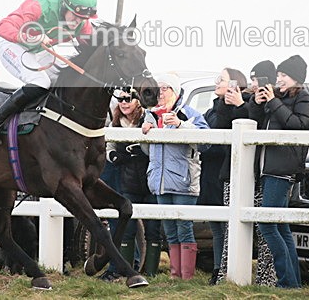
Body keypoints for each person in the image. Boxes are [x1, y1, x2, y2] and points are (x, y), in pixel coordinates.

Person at [0, 0, 98, 137]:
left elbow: (95, 49)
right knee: (41, 81)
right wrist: (29, 37)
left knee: (64, 79)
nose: (77, 21)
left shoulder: (82, 24)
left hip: (39, 52)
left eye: (83, 18)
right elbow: (2, 26)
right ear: (64, 6)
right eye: (75, 15)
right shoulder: (39, 5)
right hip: (13, 46)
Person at [248, 55, 309, 289]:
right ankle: (293, 282)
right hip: (268, 168)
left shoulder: (303, 98)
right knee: (280, 226)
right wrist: (257, 103)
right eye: (278, 75)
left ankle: (286, 281)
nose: (279, 79)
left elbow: (300, 126)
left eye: (284, 75)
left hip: (282, 170)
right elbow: (255, 123)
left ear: (296, 78)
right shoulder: (279, 98)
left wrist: (274, 103)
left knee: (267, 224)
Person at [216, 60, 278, 286]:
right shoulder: (248, 100)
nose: (253, 84)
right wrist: (228, 104)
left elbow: (256, 124)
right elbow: (222, 128)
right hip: (233, 170)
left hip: (259, 173)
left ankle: (266, 279)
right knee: (231, 227)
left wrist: (242, 105)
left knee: (264, 230)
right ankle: (227, 276)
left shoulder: (271, 102)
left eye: (256, 79)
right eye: (251, 79)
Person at [141, 73, 208, 280]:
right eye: (157, 88)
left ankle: (186, 277)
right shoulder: (151, 116)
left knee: (184, 228)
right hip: (159, 181)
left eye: (165, 88)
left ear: (175, 91)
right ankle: (174, 275)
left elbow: (206, 142)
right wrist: (146, 133)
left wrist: (180, 125)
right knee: (169, 230)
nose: (160, 93)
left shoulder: (189, 113)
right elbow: (147, 151)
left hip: (184, 181)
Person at [104, 88, 162, 279]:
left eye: (128, 99)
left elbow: (155, 148)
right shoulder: (115, 123)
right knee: (127, 229)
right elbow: (109, 146)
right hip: (127, 182)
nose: (124, 103)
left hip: (150, 182)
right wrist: (114, 156)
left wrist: (140, 150)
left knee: (153, 229)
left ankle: (152, 274)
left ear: (138, 100)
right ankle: (126, 271)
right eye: (120, 99)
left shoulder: (149, 118)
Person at [200, 67, 247, 285]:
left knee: (226, 227)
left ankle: (223, 270)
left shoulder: (233, 108)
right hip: (210, 173)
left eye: (222, 79)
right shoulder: (212, 109)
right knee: (216, 227)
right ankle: (218, 269)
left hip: (225, 172)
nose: (217, 82)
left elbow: (219, 142)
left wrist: (206, 146)